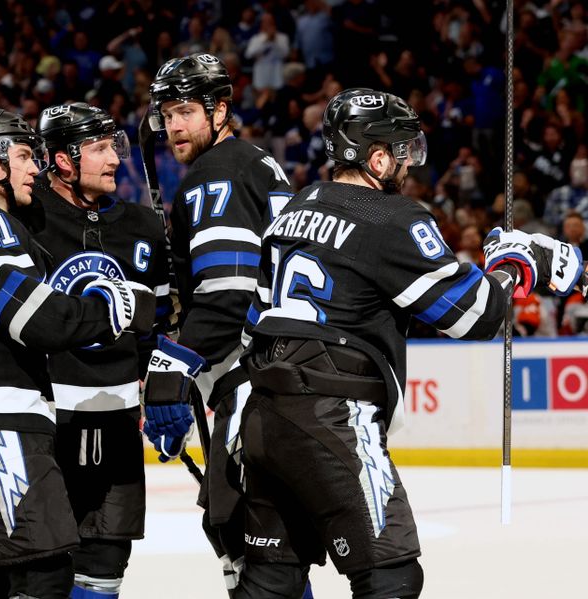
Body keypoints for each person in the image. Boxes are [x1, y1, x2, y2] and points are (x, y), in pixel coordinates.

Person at [235, 88, 587, 598]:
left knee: (271, 582)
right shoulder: (392, 218)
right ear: (376, 156)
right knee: (391, 575)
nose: (409, 162)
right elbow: (475, 317)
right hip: (332, 414)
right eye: (402, 149)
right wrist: (519, 265)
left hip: (264, 413)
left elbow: (256, 318)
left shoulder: (295, 208)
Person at [0, 103, 172, 599]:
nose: (34, 167)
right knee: (43, 574)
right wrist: (121, 306)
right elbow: (39, 320)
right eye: (23, 155)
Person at [140, 52, 298, 596]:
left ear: (219, 109)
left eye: (185, 110)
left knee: (248, 543)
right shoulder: (257, 164)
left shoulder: (217, 172)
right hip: (288, 374)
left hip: (254, 381)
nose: (173, 125)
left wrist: (172, 367)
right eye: (166, 113)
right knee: (271, 544)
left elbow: (227, 297)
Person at [31, 103, 171, 599]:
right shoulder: (24, 220)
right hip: (44, 422)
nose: (114, 158)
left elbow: (163, 327)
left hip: (116, 419)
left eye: (115, 146)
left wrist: (166, 389)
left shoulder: (143, 228)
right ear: (63, 160)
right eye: (98, 148)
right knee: (37, 568)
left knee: (106, 561)